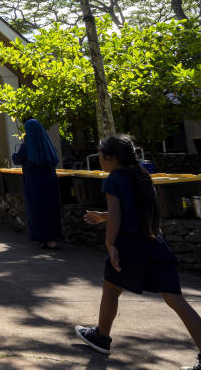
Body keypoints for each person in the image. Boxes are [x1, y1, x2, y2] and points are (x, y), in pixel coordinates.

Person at [75, 136, 201, 369]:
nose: (99, 160)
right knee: (177, 300)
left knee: (111, 289)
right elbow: (131, 210)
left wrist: (110, 243)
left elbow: (117, 214)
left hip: (129, 246)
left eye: (101, 156)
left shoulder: (113, 179)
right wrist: (103, 216)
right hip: (155, 243)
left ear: (111, 158)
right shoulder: (141, 175)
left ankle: (101, 337)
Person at [12, 118, 63, 249]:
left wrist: (14, 153)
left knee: (37, 210)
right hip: (49, 182)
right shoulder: (47, 144)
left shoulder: (27, 146)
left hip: (33, 183)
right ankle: (52, 240)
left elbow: (17, 159)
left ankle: (42, 239)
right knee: (50, 209)